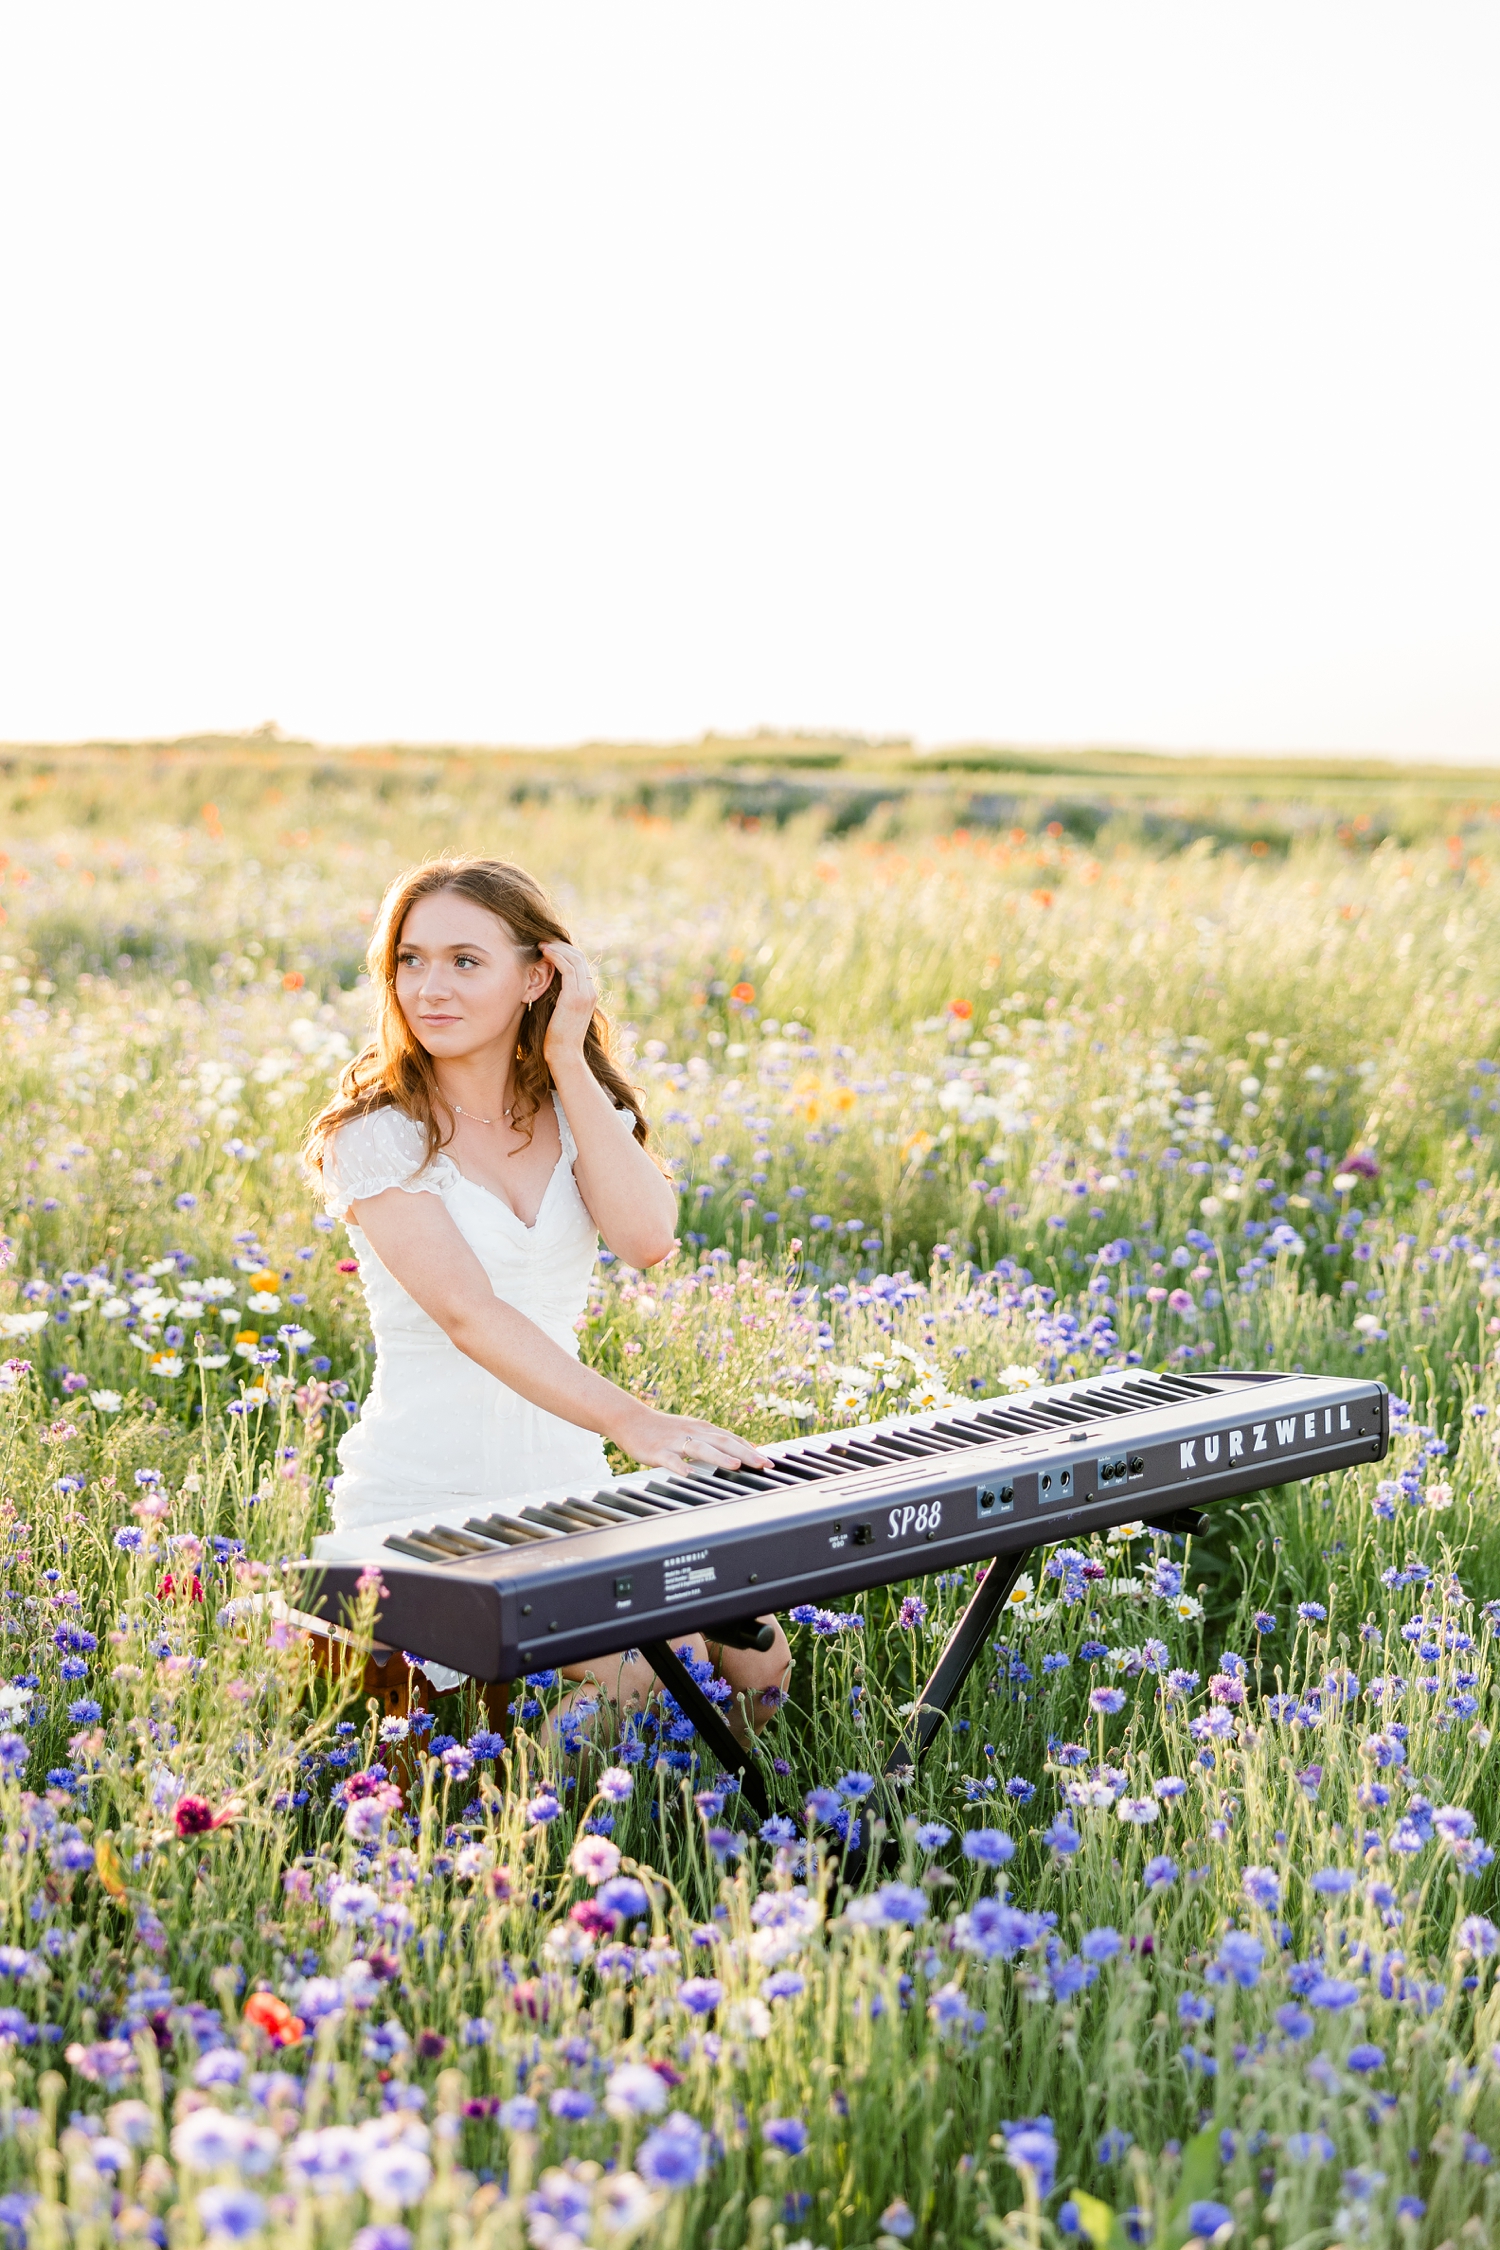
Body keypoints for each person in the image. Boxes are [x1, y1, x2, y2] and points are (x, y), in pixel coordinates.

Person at [301, 854, 791, 1739]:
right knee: (650, 1668)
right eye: (408, 960)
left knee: (756, 1652)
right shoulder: (378, 1137)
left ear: (539, 976)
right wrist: (633, 1422)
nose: (428, 987)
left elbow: (648, 1241)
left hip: (564, 1487)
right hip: (428, 1498)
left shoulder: (573, 1112)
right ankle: (511, 1841)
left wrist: (566, 1055)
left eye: (464, 960)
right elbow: (469, 1314)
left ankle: (739, 1831)